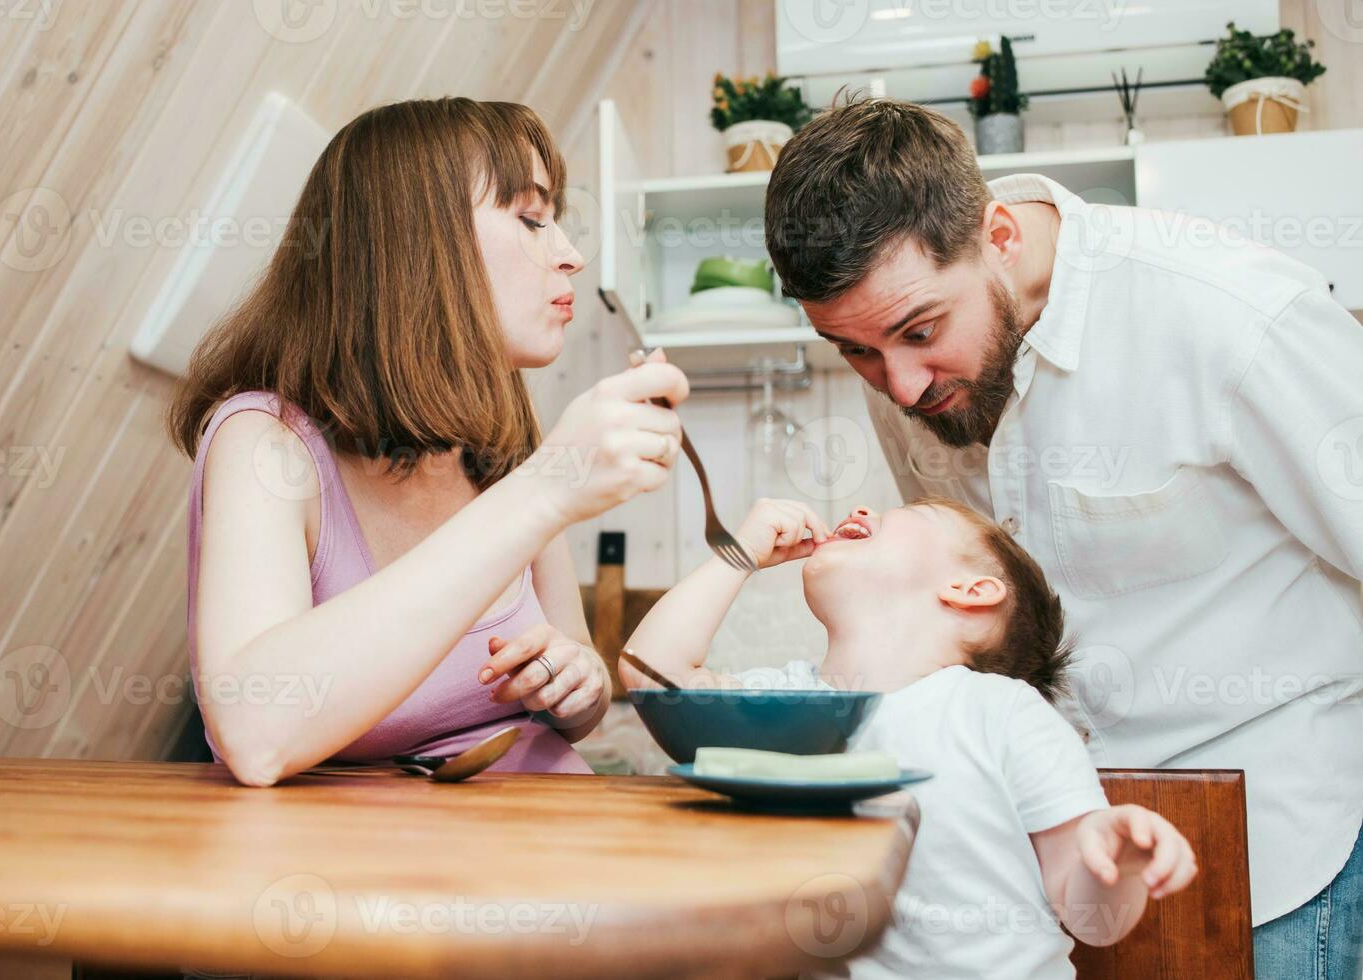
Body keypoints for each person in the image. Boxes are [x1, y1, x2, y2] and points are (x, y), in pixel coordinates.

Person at [762, 94, 1363, 976]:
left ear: (999, 235)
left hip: (1274, 864)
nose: (896, 386)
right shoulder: (904, 354)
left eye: (918, 333)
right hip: (1047, 864)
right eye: (854, 352)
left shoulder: (1229, 314)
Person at [170, 97, 689, 788]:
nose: (569, 254)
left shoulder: (499, 442)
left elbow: (575, 705)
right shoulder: (265, 444)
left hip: (544, 844)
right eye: (533, 219)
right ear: (416, 244)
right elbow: (257, 735)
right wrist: (546, 491)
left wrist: (582, 682)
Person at [621, 496, 1197, 978]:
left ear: (971, 589)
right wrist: (737, 552)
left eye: (907, 511)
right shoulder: (790, 703)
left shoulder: (999, 712)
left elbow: (1094, 921)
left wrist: (1116, 866)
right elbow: (652, 673)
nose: (865, 506)